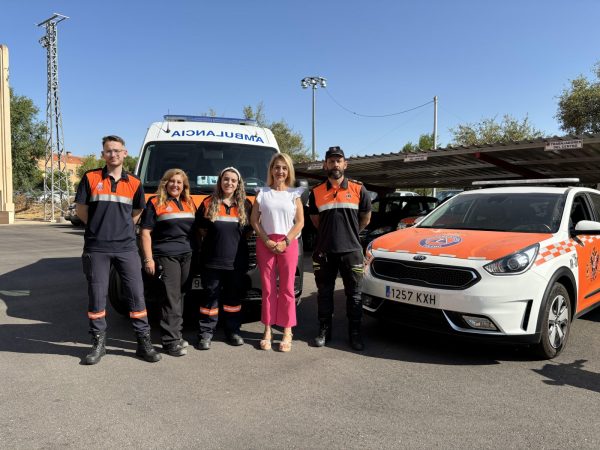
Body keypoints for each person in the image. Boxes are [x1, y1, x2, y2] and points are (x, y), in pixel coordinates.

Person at [75, 135, 161, 365]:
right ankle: (98, 344)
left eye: (117, 150)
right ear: (103, 154)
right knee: (97, 297)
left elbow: (136, 213)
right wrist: (97, 227)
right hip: (97, 247)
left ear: (125, 153)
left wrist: (120, 229)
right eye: (108, 151)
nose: (113, 154)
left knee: (136, 295)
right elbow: (81, 210)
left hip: (126, 248)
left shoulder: (134, 182)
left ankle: (143, 344)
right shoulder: (91, 177)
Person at [308, 146, 372, 351]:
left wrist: (349, 234)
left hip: (351, 250)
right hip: (324, 251)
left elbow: (365, 219)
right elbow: (316, 221)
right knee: (324, 293)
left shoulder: (358, 189)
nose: (335, 164)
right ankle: (324, 330)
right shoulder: (315, 192)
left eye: (339, 160)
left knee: (354, 294)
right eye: (331, 161)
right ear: (325, 164)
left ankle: (355, 333)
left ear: (345, 164)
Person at [250, 153, 304, 352]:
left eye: (284, 168)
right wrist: (266, 240)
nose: (280, 171)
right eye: (276, 167)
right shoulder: (262, 193)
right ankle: (268, 330)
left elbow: (300, 222)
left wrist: (286, 241)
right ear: (271, 170)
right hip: (266, 243)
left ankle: (287, 330)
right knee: (268, 288)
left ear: (288, 171)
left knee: (287, 289)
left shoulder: (294, 194)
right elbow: (254, 220)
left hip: (288, 243)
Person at [193, 167, 252, 350]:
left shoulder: (246, 205)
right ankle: (206, 333)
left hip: (236, 262)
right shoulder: (208, 202)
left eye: (233, 180)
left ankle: (232, 330)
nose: (229, 183)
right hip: (212, 261)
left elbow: (248, 233)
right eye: (226, 179)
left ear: (238, 184)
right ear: (220, 181)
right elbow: (201, 230)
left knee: (234, 298)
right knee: (210, 297)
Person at [139, 168, 196, 357]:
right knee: (170, 297)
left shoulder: (189, 203)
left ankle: (177, 335)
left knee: (180, 295)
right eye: (172, 181)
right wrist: (148, 259)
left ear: (184, 186)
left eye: (179, 182)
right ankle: (170, 341)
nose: (175, 185)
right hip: (166, 255)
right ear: (165, 183)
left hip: (187, 255)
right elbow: (145, 232)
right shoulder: (155, 202)